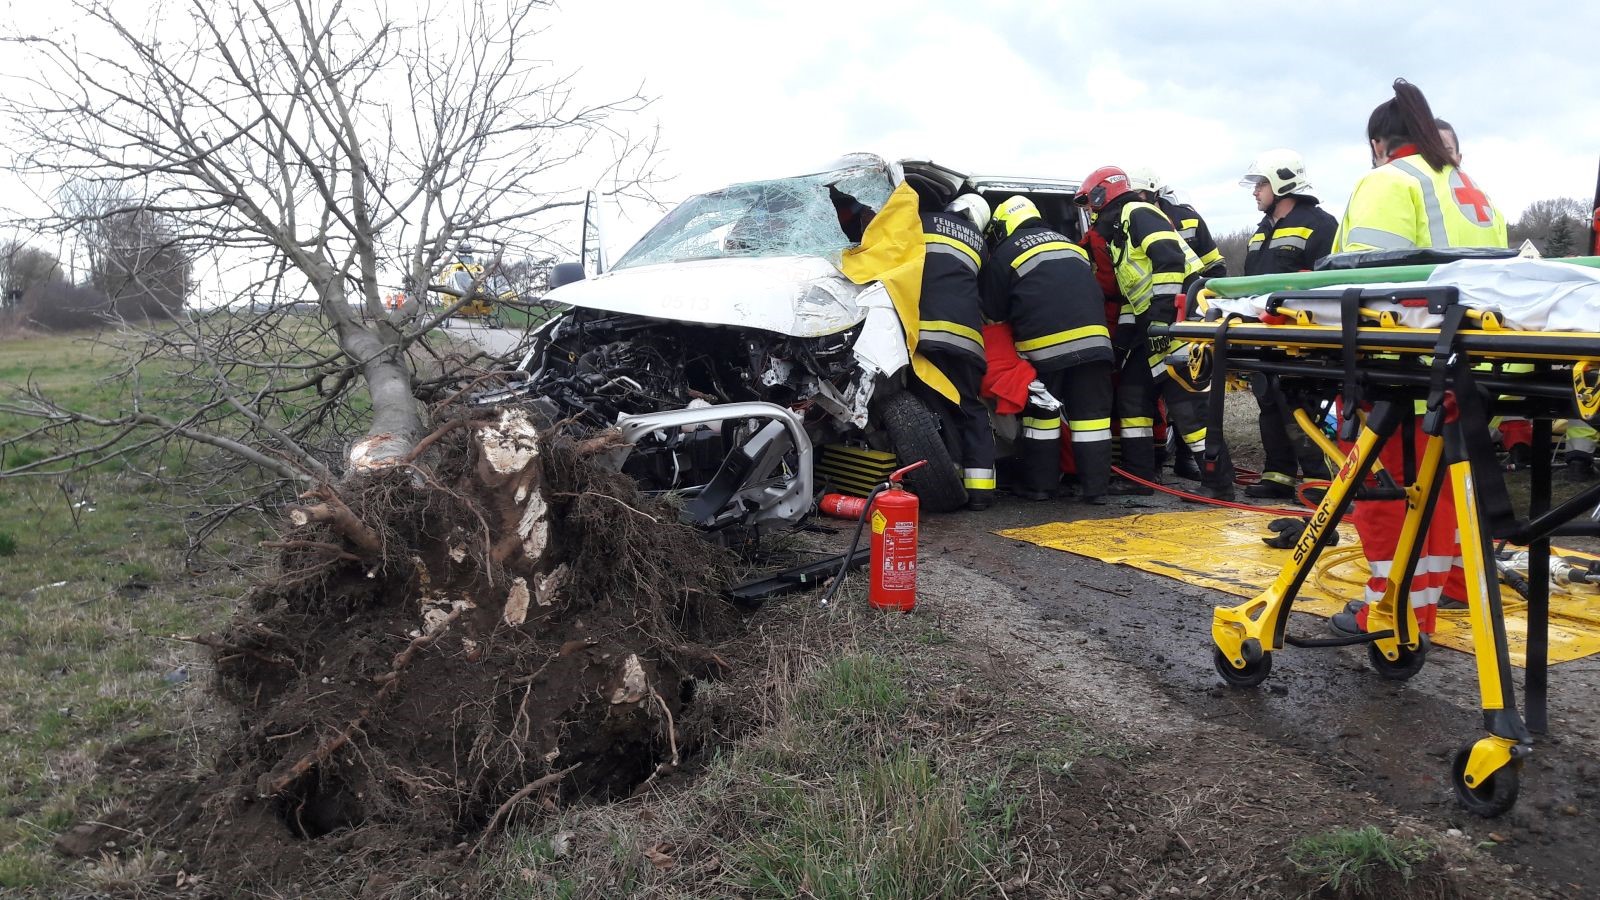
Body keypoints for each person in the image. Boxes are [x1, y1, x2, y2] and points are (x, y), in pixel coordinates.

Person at [1330, 79, 1508, 637]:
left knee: (1382, 485)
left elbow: (1363, 283)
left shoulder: (1387, 181)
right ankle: (1443, 591)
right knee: (1445, 488)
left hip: (1398, 365)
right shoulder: (1469, 188)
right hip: (1462, 367)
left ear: (1379, 143)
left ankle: (1392, 611)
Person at [1075, 166, 1235, 499]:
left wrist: (1162, 320)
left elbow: (1170, 261)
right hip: (1155, 327)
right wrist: (1121, 347)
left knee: (1187, 405)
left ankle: (1218, 483)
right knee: (1132, 394)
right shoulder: (1118, 238)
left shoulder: (1139, 212)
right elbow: (1134, 299)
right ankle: (1139, 476)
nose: (1089, 212)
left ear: (1103, 196)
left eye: (1090, 203)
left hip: (1183, 321)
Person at [979, 195, 1116, 503]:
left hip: (1045, 350)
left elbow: (993, 311)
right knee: (1092, 421)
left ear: (1003, 225)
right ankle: (1096, 491)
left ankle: (1041, 488)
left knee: (1042, 418)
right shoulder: (1072, 245)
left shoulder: (1006, 253)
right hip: (1095, 344)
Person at [1237, 149, 1340, 498]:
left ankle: (1322, 482)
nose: (1255, 191)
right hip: (1266, 335)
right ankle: (1277, 476)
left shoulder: (1320, 225)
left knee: (1301, 407)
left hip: (1304, 340)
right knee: (1269, 402)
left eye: (1261, 184)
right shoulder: (1260, 232)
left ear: (1282, 184)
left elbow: (1329, 283)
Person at [914, 190, 999, 510]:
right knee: (970, 407)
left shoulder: (922, 222)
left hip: (926, 334)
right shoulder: (981, 244)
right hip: (967, 340)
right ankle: (980, 492)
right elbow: (987, 298)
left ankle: (945, 484)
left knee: (933, 406)